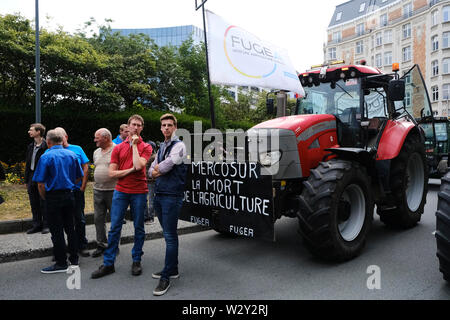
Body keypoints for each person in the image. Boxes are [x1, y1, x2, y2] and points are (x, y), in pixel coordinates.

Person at [91, 114, 152, 279]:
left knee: (139, 227)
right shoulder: (117, 148)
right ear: (128, 126)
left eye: (139, 125)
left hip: (139, 192)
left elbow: (139, 165)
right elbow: (112, 173)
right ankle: (109, 263)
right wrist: (130, 170)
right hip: (121, 191)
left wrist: (134, 145)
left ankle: (136, 260)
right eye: (133, 124)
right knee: (115, 227)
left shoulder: (146, 147)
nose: (136, 127)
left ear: (141, 128)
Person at [33, 129, 83, 273]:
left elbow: (40, 183)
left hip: (53, 196)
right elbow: (79, 176)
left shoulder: (46, 156)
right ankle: (74, 259)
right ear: (61, 141)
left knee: (56, 230)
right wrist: (70, 184)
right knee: (70, 228)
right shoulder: (72, 155)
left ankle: (61, 262)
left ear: (48, 142)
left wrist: (45, 197)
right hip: (69, 194)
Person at [149, 113, 187, 296]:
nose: (166, 128)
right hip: (160, 194)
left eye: (169, 125)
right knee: (168, 234)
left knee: (170, 236)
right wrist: (157, 170)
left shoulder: (179, 146)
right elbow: (151, 170)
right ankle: (173, 269)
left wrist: (157, 170)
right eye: (163, 125)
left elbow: (165, 167)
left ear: (175, 128)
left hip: (172, 196)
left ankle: (166, 276)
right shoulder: (162, 146)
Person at [55, 127, 90, 257]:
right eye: (56, 136)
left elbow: (85, 167)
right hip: (61, 192)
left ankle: (82, 245)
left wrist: (83, 187)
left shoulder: (77, 149)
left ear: (66, 137)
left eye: (61, 136)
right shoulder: (52, 151)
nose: (59, 139)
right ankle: (62, 248)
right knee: (61, 221)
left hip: (76, 191)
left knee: (79, 218)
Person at [92, 128, 117, 258]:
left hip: (114, 191)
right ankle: (101, 244)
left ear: (106, 138)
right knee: (98, 219)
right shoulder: (96, 152)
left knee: (115, 219)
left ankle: (113, 246)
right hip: (98, 190)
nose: (95, 140)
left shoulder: (117, 149)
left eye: (97, 138)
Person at [25, 123, 49, 234]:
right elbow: (27, 164)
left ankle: (46, 225)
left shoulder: (46, 146)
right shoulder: (30, 146)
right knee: (33, 203)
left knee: (43, 202)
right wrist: (26, 180)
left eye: (31, 130)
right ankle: (36, 225)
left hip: (42, 178)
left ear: (38, 132)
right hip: (31, 178)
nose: (29, 132)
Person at [144, 140, 157, 225]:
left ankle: (150, 217)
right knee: (145, 200)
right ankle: (146, 217)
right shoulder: (145, 156)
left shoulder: (154, 157)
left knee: (151, 200)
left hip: (151, 181)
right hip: (144, 181)